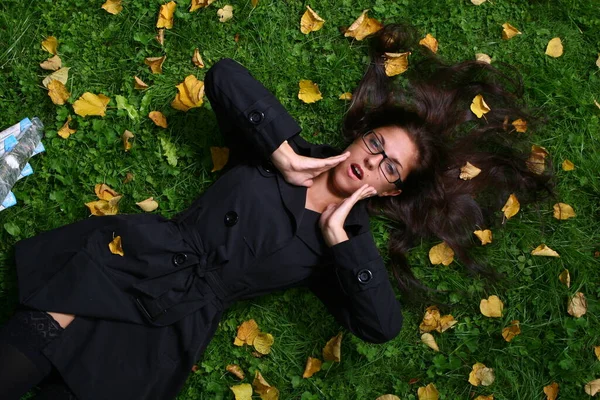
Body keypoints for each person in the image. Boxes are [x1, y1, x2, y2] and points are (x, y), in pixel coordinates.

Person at [0, 24, 551, 400]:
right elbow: (223, 75)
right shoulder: (281, 153)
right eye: (377, 146)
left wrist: (341, 239)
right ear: (361, 137)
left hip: (175, 325)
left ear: (390, 192)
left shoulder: (340, 245)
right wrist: (283, 152)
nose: (375, 163)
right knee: (26, 349)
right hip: (136, 259)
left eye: (391, 170)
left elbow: (382, 326)